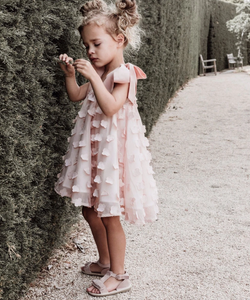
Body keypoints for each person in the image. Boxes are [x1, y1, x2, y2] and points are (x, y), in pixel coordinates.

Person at [55, 0, 158, 296]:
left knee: (109, 214)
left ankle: (120, 275)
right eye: (86, 45)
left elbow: (111, 107)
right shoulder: (99, 75)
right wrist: (70, 75)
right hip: (94, 154)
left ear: (119, 40)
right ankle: (105, 261)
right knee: (90, 210)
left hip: (113, 157)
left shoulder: (124, 74)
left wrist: (92, 77)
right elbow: (76, 96)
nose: (89, 51)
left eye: (96, 44)